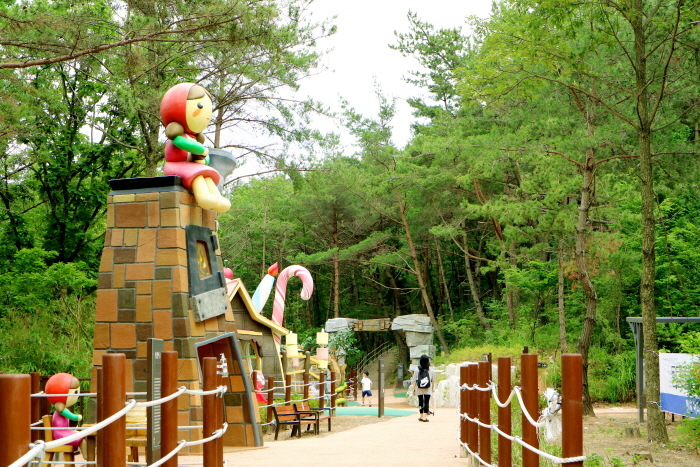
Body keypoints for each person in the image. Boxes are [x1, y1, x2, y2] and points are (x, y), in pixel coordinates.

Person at [411, 354, 436, 422]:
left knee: (421, 401)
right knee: (426, 401)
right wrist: (433, 387)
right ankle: (424, 417)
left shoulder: (417, 369)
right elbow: (433, 380)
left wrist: (414, 388)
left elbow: (414, 380)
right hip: (428, 387)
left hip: (419, 388)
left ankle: (421, 416)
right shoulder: (430, 369)